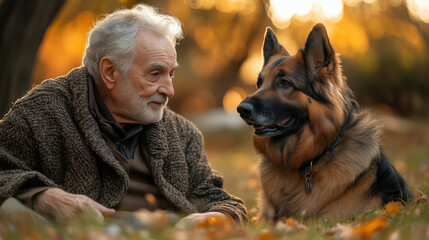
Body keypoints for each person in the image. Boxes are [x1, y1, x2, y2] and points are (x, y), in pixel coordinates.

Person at [0, 3, 247, 226]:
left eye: (170, 74)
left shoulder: (183, 134)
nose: (169, 90)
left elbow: (220, 201)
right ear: (109, 72)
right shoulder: (43, 111)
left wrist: (216, 217)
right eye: (155, 74)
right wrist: (41, 196)